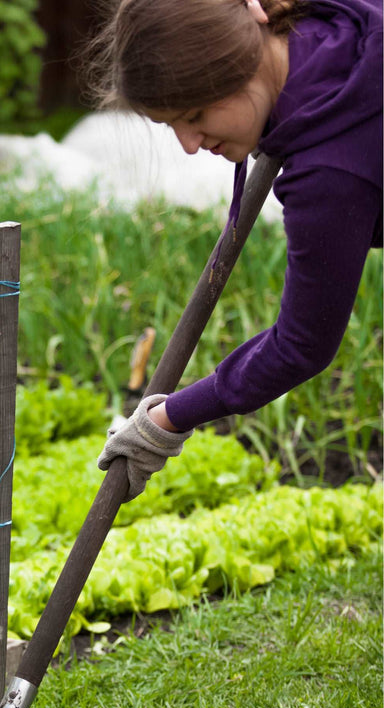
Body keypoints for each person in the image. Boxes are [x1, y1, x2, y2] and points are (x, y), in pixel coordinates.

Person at [93, 0, 382, 499]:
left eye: (196, 114)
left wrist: (167, 417)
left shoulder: (327, 173)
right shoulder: (336, 20)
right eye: (171, 125)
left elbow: (301, 346)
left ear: (239, 60)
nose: (187, 143)